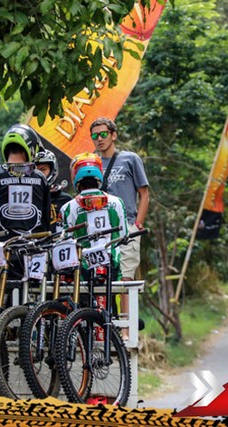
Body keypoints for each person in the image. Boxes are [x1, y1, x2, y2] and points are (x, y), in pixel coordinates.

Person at [90, 117, 149, 327]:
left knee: (125, 277)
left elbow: (144, 192)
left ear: (113, 135)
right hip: (99, 229)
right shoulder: (91, 163)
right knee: (100, 278)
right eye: (95, 136)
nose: (99, 139)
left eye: (103, 134)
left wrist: (138, 223)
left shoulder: (129, 159)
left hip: (127, 226)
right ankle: (103, 327)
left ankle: (126, 328)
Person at [59, 153, 128, 278]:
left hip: (82, 268)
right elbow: (124, 237)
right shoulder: (117, 202)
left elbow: (67, 242)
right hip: (113, 264)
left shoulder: (68, 208)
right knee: (115, 294)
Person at [0, 124, 51, 236]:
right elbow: (46, 218)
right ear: (31, 149)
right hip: (34, 245)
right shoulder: (40, 178)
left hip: (3, 247)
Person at [34, 149, 72, 228]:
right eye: (34, 170)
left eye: (42, 169)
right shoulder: (27, 199)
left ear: (52, 170)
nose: (38, 173)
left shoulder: (66, 200)